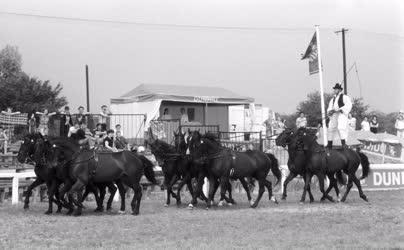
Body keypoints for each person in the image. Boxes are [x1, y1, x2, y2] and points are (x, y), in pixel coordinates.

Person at [326, 83, 352, 151]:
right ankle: (329, 146)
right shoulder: (333, 99)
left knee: (341, 128)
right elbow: (329, 108)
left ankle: (344, 144)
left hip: (341, 114)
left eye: (336, 89)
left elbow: (348, 105)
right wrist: (329, 112)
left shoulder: (344, 97)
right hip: (334, 115)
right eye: (335, 89)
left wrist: (341, 109)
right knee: (330, 128)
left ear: (340, 90)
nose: (335, 90)